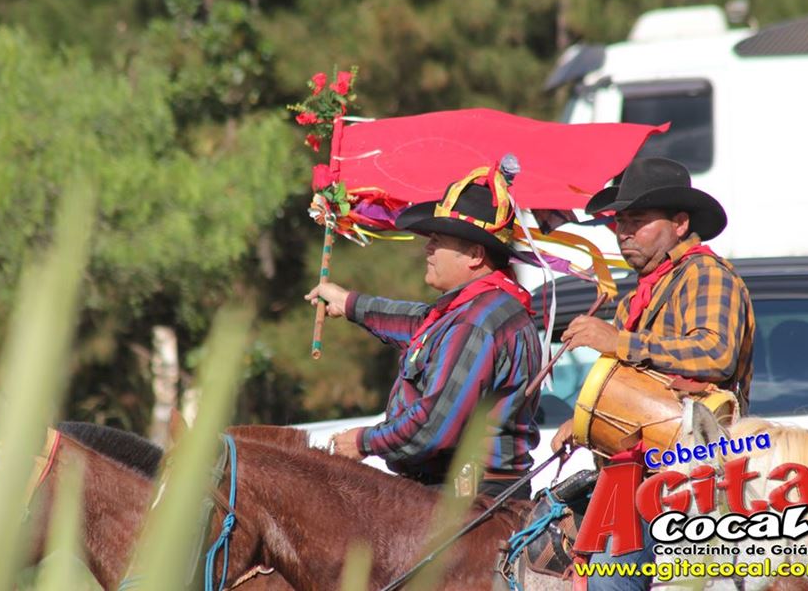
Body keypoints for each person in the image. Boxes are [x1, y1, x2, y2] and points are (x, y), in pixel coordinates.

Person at [551, 156, 756, 590]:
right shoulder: (641, 295)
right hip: (645, 471)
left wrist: (618, 341)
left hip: (695, 470)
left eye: (638, 221)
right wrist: (584, 419)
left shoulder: (706, 273)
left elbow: (715, 354)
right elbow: (634, 383)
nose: (623, 233)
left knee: (609, 580)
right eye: (620, 222)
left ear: (680, 223)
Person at [305, 163, 542, 500]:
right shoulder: (480, 308)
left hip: (468, 501)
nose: (426, 249)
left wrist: (363, 441)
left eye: (437, 241)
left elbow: (433, 426)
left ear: (475, 255)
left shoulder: (475, 323)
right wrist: (349, 303)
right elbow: (421, 324)